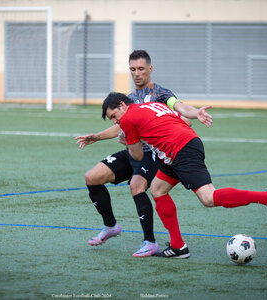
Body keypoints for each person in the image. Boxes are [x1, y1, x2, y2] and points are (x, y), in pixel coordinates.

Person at [102, 92, 267, 259]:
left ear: (122, 105)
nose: (115, 122)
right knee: (157, 189)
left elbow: (137, 155)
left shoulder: (128, 119)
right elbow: (184, 121)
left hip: (181, 149)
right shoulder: (151, 105)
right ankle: (178, 247)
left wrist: (126, 141)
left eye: (114, 116)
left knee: (208, 198)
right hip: (179, 148)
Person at [75, 50, 207, 257]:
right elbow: (121, 127)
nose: (136, 73)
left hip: (154, 154)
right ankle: (110, 226)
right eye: (133, 69)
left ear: (150, 69)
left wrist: (191, 115)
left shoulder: (162, 94)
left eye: (141, 69)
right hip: (133, 149)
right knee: (92, 177)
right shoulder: (128, 99)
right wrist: (96, 137)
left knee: (137, 185)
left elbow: (180, 109)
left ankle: (150, 242)